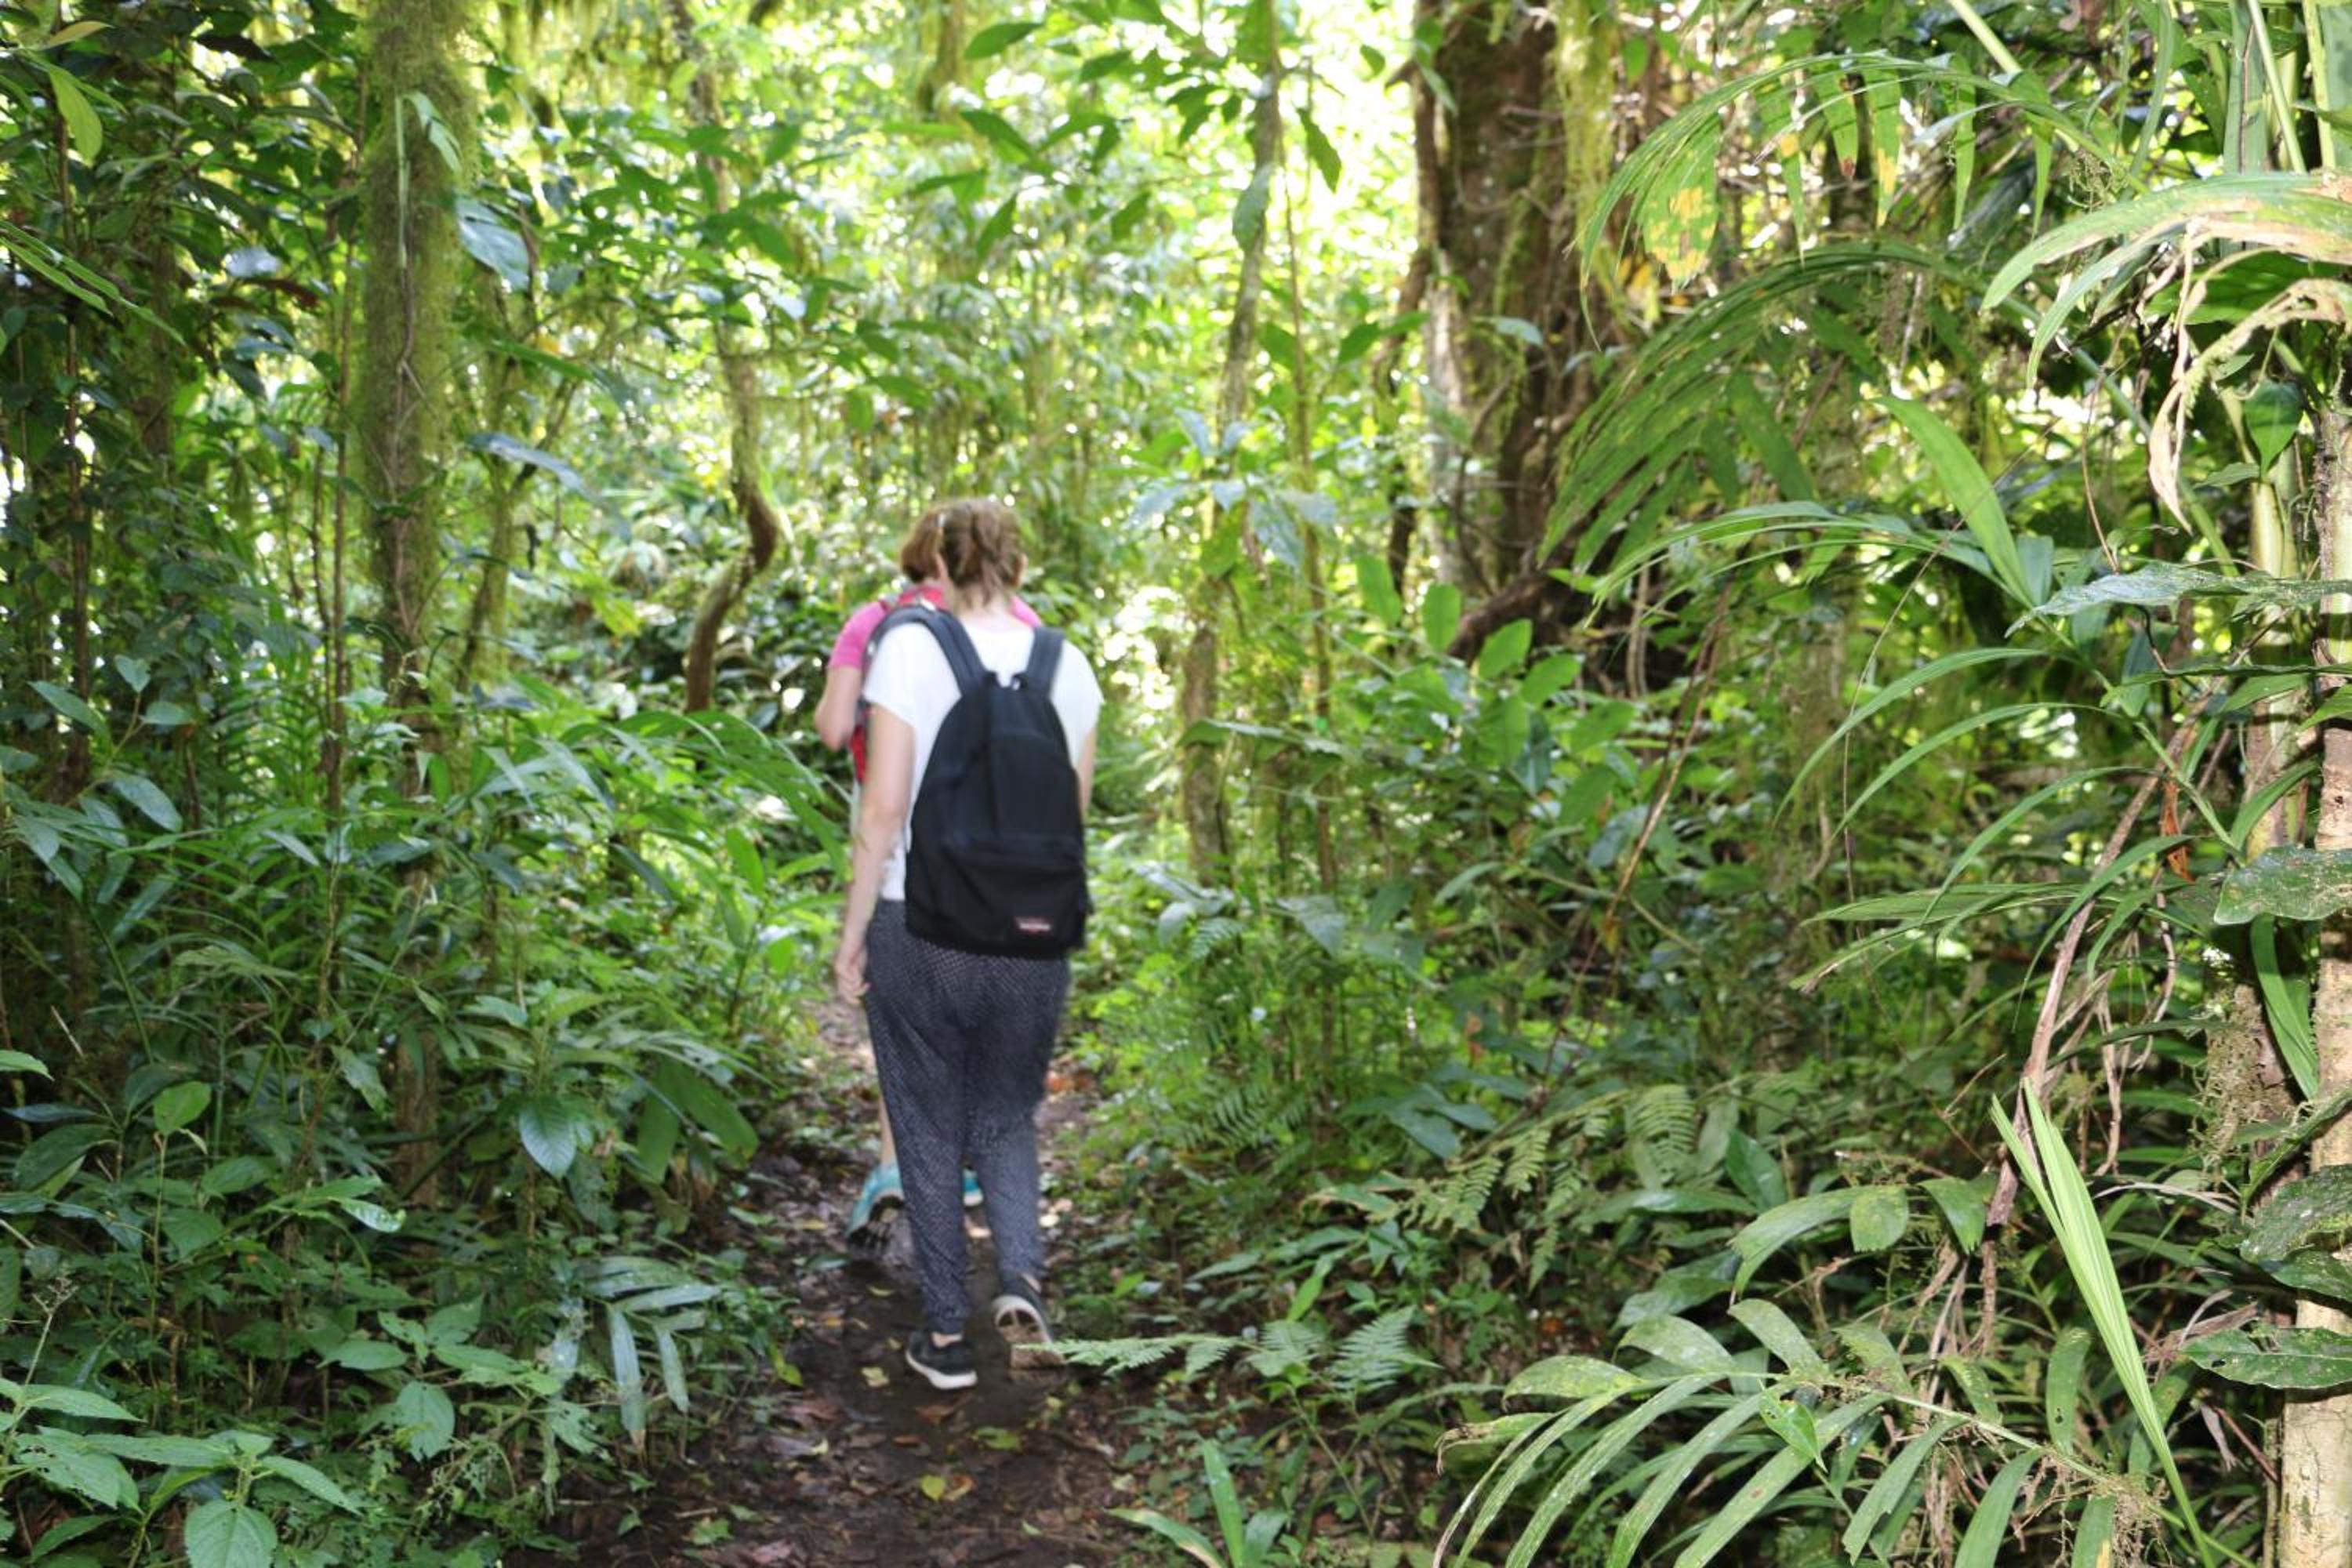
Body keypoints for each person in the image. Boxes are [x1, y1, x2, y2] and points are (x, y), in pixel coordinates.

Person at [833, 497, 1099, 1390]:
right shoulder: (1068, 665)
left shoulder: (908, 647)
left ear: (938, 566)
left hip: (921, 923)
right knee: (1006, 1115)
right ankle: (1021, 1281)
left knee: (926, 1122)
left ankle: (945, 1332)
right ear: (1019, 568)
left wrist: (852, 935)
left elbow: (882, 811)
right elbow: (1070, 821)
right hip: (1032, 936)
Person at [815, 517, 1040, 1246]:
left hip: (900, 835)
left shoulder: (875, 621)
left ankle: (895, 1166)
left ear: (922, 556)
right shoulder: (1021, 622)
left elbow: (833, 728)